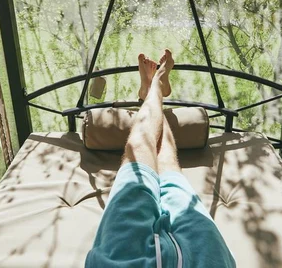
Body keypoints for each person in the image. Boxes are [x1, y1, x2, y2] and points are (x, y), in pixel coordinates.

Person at [85, 49, 236, 268]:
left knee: (139, 147)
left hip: (122, 261)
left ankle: (152, 89)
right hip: (206, 260)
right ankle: (156, 86)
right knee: (167, 164)